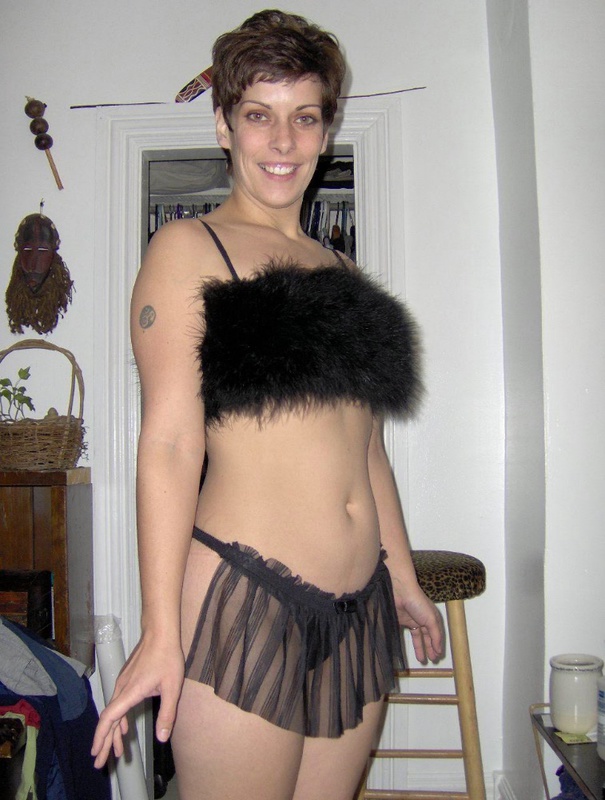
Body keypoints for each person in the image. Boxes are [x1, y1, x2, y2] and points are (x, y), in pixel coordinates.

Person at [91, 9, 444, 800]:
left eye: (303, 117)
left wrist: (402, 576)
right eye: (259, 115)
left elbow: (365, 447)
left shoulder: (342, 274)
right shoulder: (189, 249)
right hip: (246, 598)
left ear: (325, 131)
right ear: (224, 126)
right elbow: (170, 444)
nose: (282, 140)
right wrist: (159, 629)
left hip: (359, 607)